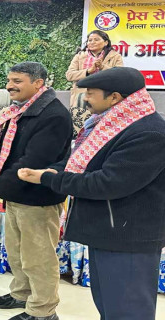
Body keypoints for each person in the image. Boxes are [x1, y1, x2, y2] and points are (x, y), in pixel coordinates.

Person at [18, 67, 165, 320]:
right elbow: (84, 163)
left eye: (91, 93)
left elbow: (107, 183)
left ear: (115, 97)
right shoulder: (112, 123)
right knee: (109, 305)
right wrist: (51, 171)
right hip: (108, 232)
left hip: (127, 238)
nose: (85, 98)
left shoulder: (147, 132)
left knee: (127, 310)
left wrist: (49, 179)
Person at [0, 62, 72, 320]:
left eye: (17, 81)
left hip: (38, 198)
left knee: (38, 257)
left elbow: (30, 163)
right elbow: (7, 153)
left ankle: (42, 311)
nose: (10, 86)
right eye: (9, 80)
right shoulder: (20, 110)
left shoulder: (52, 115)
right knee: (18, 252)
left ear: (38, 83)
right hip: (16, 195)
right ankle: (21, 294)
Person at [66, 30, 123, 136]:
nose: (92, 42)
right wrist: (88, 71)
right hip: (82, 98)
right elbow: (69, 75)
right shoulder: (80, 56)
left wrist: (102, 67)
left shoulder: (115, 56)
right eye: (90, 40)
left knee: (103, 132)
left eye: (96, 39)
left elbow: (119, 76)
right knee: (81, 132)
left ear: (106, 42)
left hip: (106, 98)